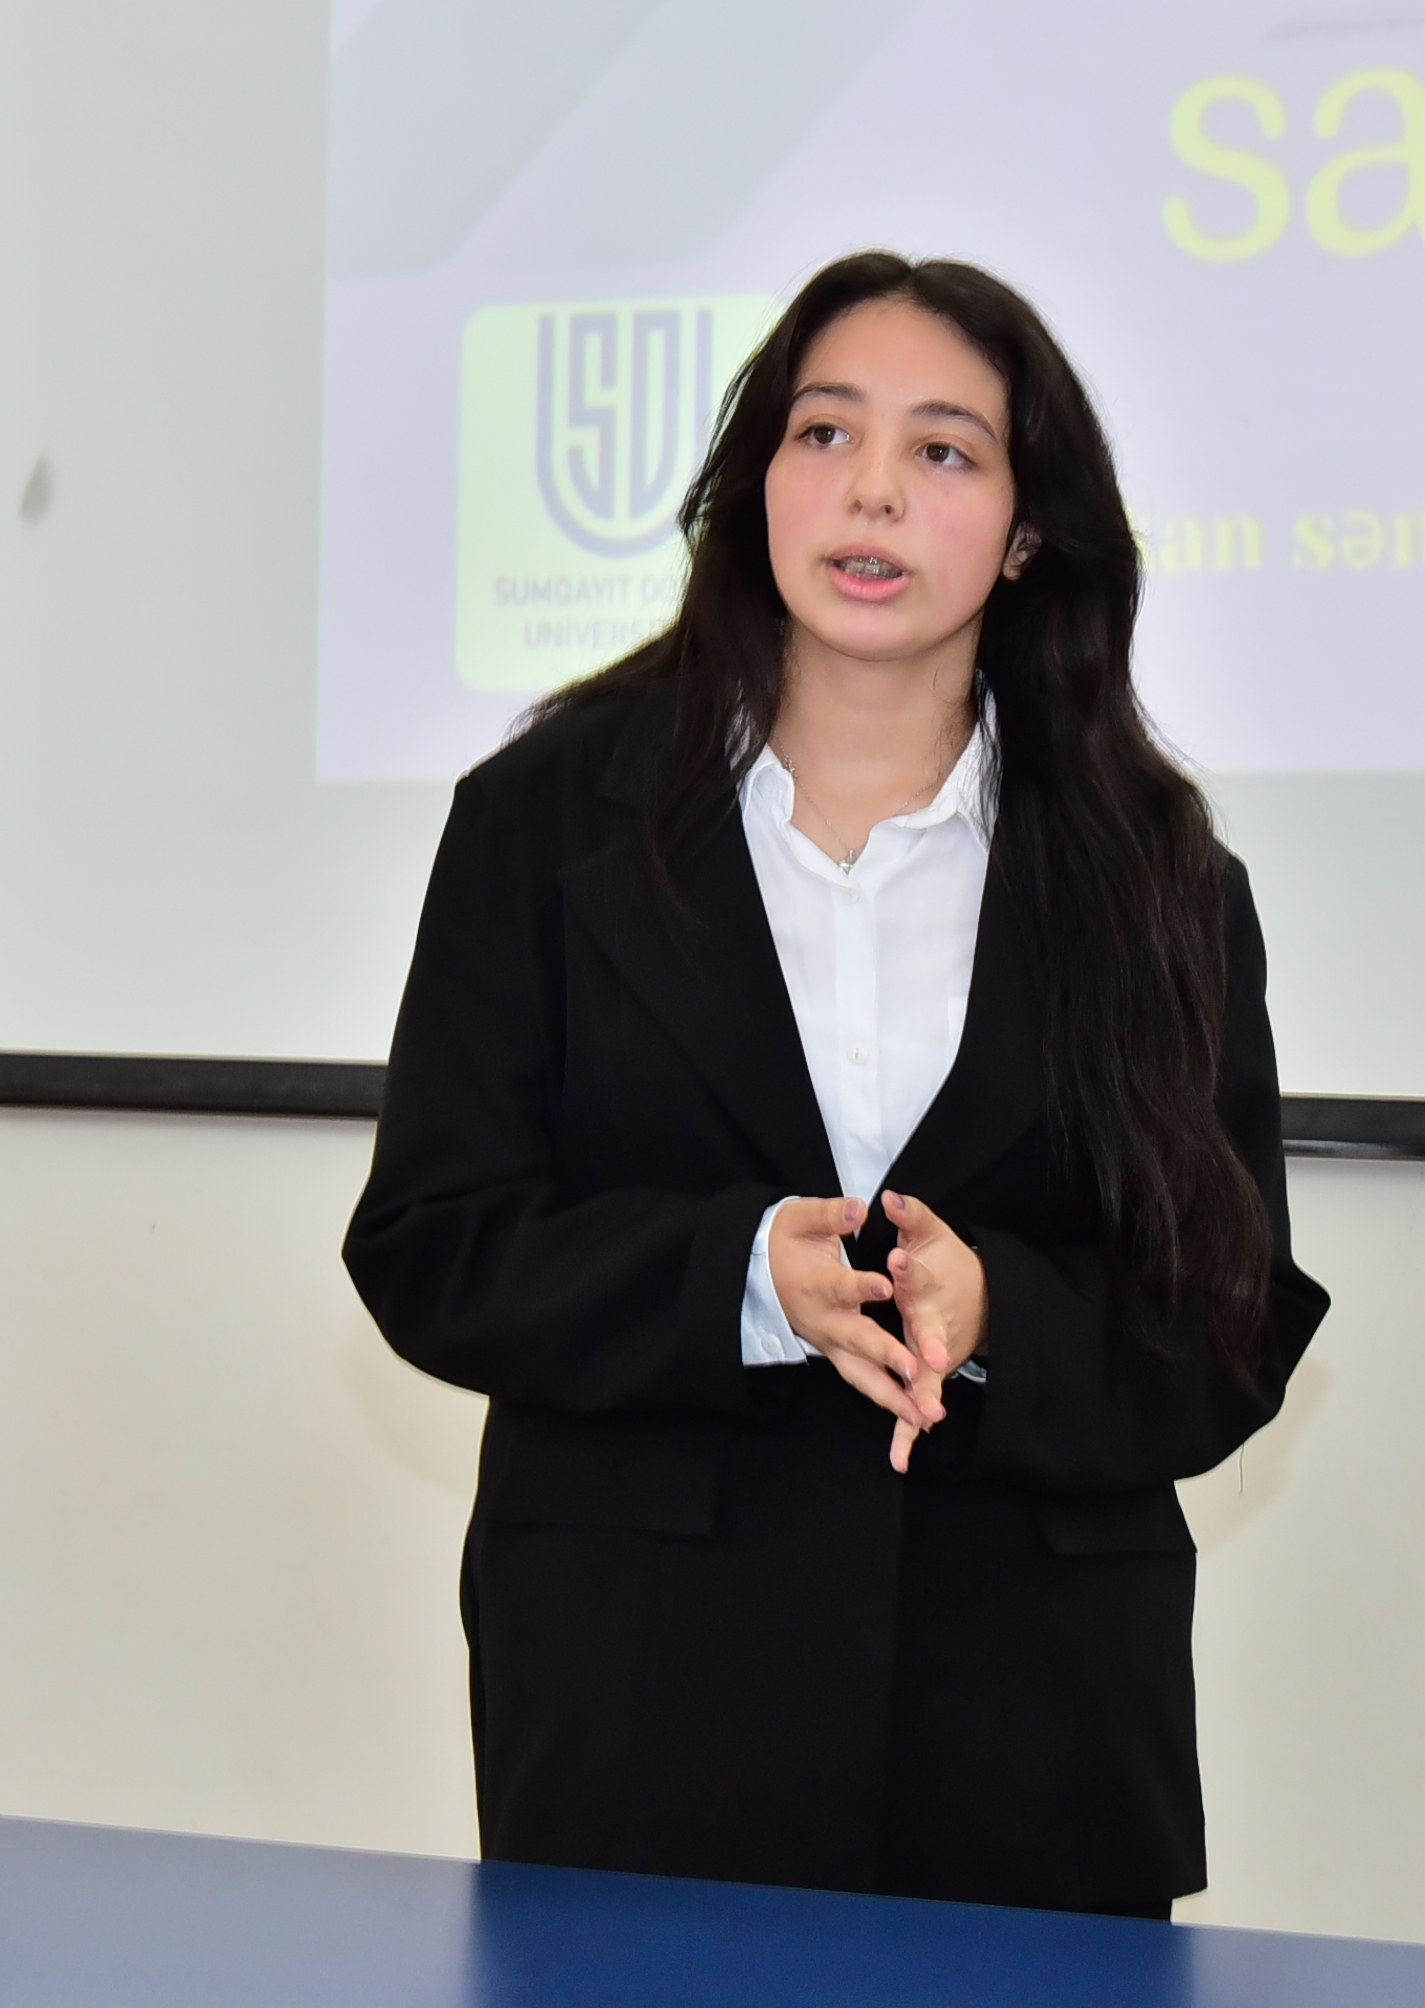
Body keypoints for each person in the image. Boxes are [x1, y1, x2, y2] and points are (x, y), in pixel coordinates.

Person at [343, 252, 1328, 1920]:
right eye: (824, 433)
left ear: (1028, 530)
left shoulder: (1156, 875)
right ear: (758, 482)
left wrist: (999, 1310)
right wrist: (739, 1278)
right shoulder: (544, 823)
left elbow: (1227, 1320)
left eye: (944, 450)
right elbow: (433, 1244)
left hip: (1031, 1736)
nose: (873, 490)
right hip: (646, 1715)